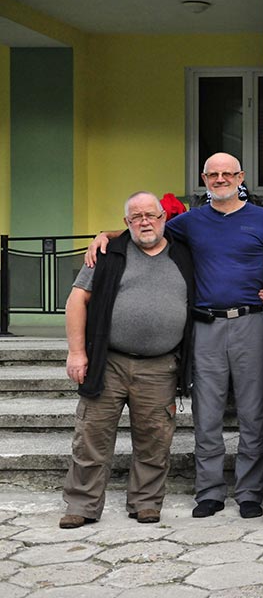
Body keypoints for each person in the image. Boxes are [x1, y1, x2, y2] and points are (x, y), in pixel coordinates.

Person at [86, 153, 263, 519]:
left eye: (228, 174)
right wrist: (105, 234)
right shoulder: (189, 222)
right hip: (205, 326)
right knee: (206, 413)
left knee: (254, 413)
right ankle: (208, 491)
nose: (221, 179)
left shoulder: (261, 218)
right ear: (204, 179)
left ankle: (250, 492)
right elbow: (146, 230)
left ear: (240, 176)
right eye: (213, 174)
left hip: (251, 323)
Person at [60, 192, 194, 529]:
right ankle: (82, 505)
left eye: (151, 215)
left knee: (154, 439)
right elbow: (77, 301)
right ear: (126, 223)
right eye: (136, 217)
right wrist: (77, 352)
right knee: (91, 437)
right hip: (109, 362)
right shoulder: (108, 253)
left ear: (165, 217)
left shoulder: (184, 254)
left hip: (160, 365)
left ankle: (146, 502)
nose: (145, 222)